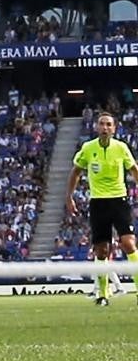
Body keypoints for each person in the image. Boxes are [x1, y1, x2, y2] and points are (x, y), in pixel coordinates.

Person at [66, 112, 138, 306]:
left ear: (114, 128)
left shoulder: (121, 148)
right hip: (98, 202)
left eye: (108, 124)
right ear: (96, 127)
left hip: (119, 200)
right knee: (101, 250)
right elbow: (76, 172)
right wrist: (69, 197)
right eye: (101, 124)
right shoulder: (88, 148)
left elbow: (134, 170)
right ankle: (103, 295)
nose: (105, 127)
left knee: (128, 244)